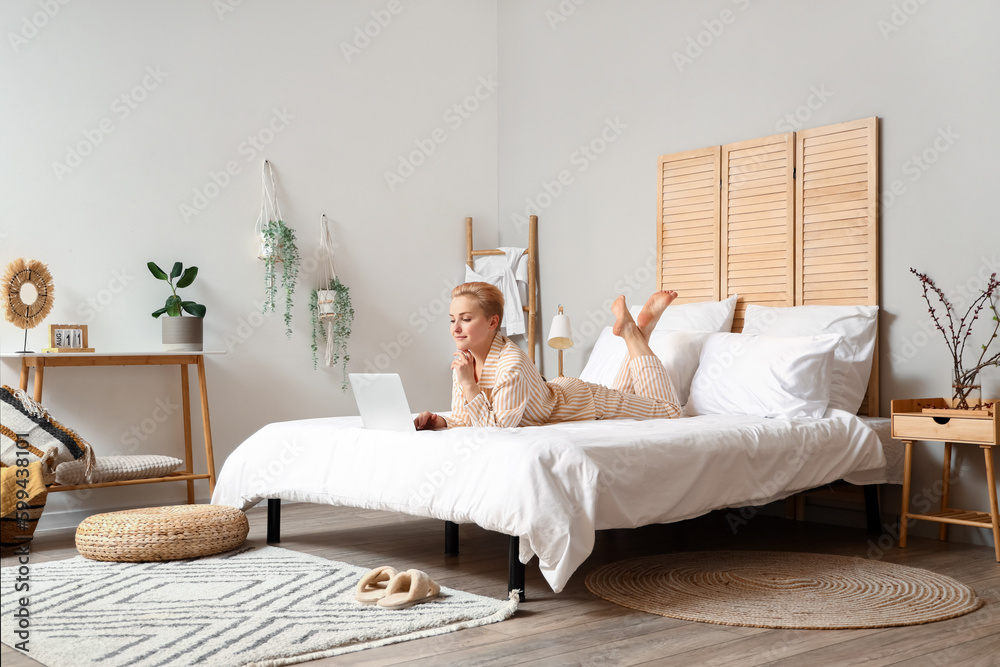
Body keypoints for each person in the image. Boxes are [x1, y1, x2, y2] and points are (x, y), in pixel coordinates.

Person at [413, 282, 681, 430]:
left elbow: (498, 432)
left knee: (669, 414)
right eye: (452, 320)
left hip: (585, 404)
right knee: (628, 397)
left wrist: (469, 385)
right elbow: (468, 417)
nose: (456, 328)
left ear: (493, 322)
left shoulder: (511, 363)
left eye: (466, 319)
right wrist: (441, 422)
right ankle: (641, 329)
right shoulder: (463, 362)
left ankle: (634, 333)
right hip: (561, 395)